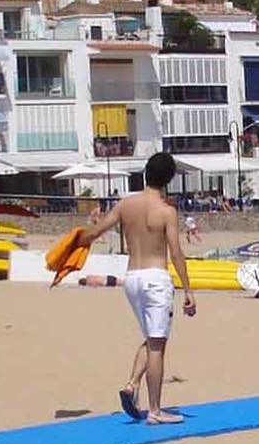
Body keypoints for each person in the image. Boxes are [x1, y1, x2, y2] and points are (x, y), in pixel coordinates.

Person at [78, 152, 196, 425]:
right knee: (157, 346)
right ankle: (154, 410)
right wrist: (188, 290)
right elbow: (176, 252)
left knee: (152, 338)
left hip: (132, 278)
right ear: (168, 179)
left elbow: (93, 233)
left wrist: (70, 245)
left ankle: (132, 385)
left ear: (145, 173)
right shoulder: (166, 211)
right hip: (155, 278)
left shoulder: (125, 205)